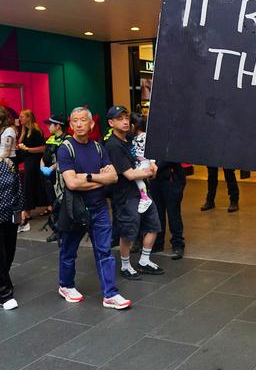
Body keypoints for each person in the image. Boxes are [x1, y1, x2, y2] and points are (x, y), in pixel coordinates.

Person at [57, 106, 131, 309]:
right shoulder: (66, 149)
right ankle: (66, 285)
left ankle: (110, 294)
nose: (79, 124)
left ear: (91, 124)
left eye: (83, 120)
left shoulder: (99, 148)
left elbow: (114, 177)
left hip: (99, 208)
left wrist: (87, 177)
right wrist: (101, 179)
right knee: (69, 250)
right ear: (71, 125)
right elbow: (72, 184)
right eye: (75, 121)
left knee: (105, 251)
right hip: (76, 209)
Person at [104, 105, 164, 280]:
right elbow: (129, 174)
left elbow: (142, 158)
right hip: (126, 195)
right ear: (111, 123)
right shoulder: (113, 145)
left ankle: (144, 260)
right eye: (120, 119)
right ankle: (125, 265)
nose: (125, 121)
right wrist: (149, 172)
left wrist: (151, 164)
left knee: (154, 225)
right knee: (128, 232)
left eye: (126, 118)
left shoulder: (130, 138)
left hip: (142, 192)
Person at [0, 157, 25, 310]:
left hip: (9, 214)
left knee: (9, 251)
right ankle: (4, 294)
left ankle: (3, 279)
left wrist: (21, 208)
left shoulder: (7, 163)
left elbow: (17, 187)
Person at [40, 114, 69, 242]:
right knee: (53, 203)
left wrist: (51, 168)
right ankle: (56, 231)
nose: (48, 126)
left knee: (61, 204)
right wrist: (42, 167)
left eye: (50, 124)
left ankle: (64, 231)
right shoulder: (50, 139)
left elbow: (64, 159)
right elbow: (43, 156)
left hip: (60, 178)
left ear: (58, 126)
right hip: (48, 177)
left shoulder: (67, 140)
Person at [16, 109, 46, 232]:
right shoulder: (24, 131)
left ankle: (27, 211)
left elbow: (43, 148)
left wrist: (27, 149)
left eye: (22, 116)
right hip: (28, 160)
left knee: (29, 185)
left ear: (29, 118)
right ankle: (46, 206)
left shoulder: (36, 131)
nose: (20, 118)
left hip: (34, 161)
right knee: (34, 185)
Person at [151, 160, 187, 259]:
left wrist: (154, 167)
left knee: (173, 214)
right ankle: (158, 243)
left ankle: (178, 245)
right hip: (155, 179)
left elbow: (171, 155)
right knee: (158, 213)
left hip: (172, 179)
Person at [129, 112, 154, 213]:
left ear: (133, 126)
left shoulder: (145, 137)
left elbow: (152, 150)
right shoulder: (134, 138)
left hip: (145, 162)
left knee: (136, 178)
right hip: (139, 162)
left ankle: (145, 198)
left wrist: (152, 162)